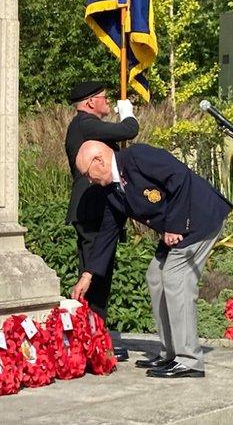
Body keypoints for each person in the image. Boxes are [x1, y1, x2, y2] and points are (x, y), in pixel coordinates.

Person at [72, 141, 233, 378]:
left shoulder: (138, 157)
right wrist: (88, 274)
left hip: (199, 218)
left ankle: (189, 360)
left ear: (99, 161)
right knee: (155, 277)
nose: (88, 180)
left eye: (87, 174)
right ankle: (171, 352)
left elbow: (181, 178)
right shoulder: (112, 189)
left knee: (175, 277)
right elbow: (108, 231)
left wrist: (174, 225)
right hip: (176, 228)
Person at [64, 81, 138, 361]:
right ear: (90, 102)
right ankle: (94, 341)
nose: (108, 102)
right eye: (105, 99)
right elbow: (128, 130)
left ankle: (95, 338)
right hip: (93, 210)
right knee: (95, 276)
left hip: (99, 210)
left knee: (98, 275)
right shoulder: (85, 124)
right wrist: (127, 112)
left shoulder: (86, 124)